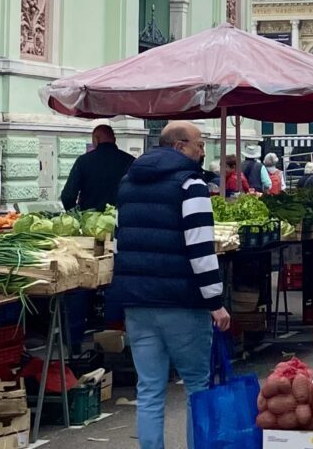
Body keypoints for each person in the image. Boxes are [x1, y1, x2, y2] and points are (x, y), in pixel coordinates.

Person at [110, 120, 229, 449]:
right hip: (182, 303)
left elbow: (119, 243)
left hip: (137, 303)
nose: (203, 151)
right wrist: (215, 302)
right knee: (196, 386)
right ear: (179, 147)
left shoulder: (127, 184)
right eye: (199, 144)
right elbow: (200, 249)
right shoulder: (191, 184)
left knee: (148, 389)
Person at [61, 125, 135, 211]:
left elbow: (68, 195)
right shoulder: (130, 161)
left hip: (90, 220)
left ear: (96, 140)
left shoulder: (84, 161)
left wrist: (75, 214)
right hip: (121, 219)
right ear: (114, 140)